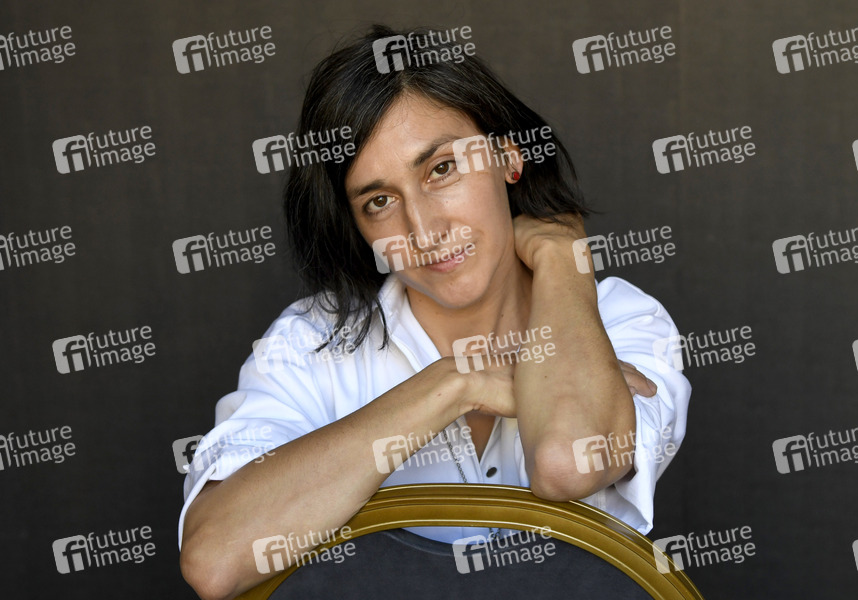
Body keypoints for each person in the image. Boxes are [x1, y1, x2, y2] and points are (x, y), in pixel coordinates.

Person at [179, 24, 690, 600]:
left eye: (441, 169)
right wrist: (454, 384)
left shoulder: (623, 321)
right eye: (379, 201)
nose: (423, 231)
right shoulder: (309, 343)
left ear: (508, 157)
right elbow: (214, 560)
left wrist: (563, 258)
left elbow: (569, 465)